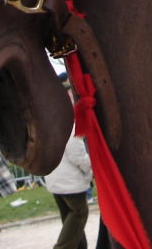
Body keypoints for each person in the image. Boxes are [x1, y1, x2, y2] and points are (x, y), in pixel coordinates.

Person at [44, 82, 92, 249]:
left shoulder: (49, 119)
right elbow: (76, 153)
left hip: (55, 178)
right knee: (79, 214)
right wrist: (89, 168)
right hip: (70, 180)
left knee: (69, 218)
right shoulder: (67, 119)